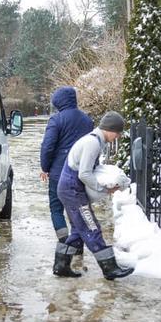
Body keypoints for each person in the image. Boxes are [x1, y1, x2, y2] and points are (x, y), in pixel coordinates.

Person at [53, 111, 134, 280]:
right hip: (72, 189)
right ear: (110, 129)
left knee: (78, 229)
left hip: (69, 188)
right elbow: (84, 174)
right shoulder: (93, 143)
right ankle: (110, 269)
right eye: (118, 132)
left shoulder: (94, 140)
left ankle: (61, 266)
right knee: (91, 227)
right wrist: (104, 189)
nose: (118, 136)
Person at [40, 86, 93, 242]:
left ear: (58, 102)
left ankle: (64, 242)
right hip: (81, 172)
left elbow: (47, 146)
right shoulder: (87, 120)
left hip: (58, 172)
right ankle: (77, 243)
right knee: (78, 209)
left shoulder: (57, 119)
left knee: (56, 209)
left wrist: (45, 167)